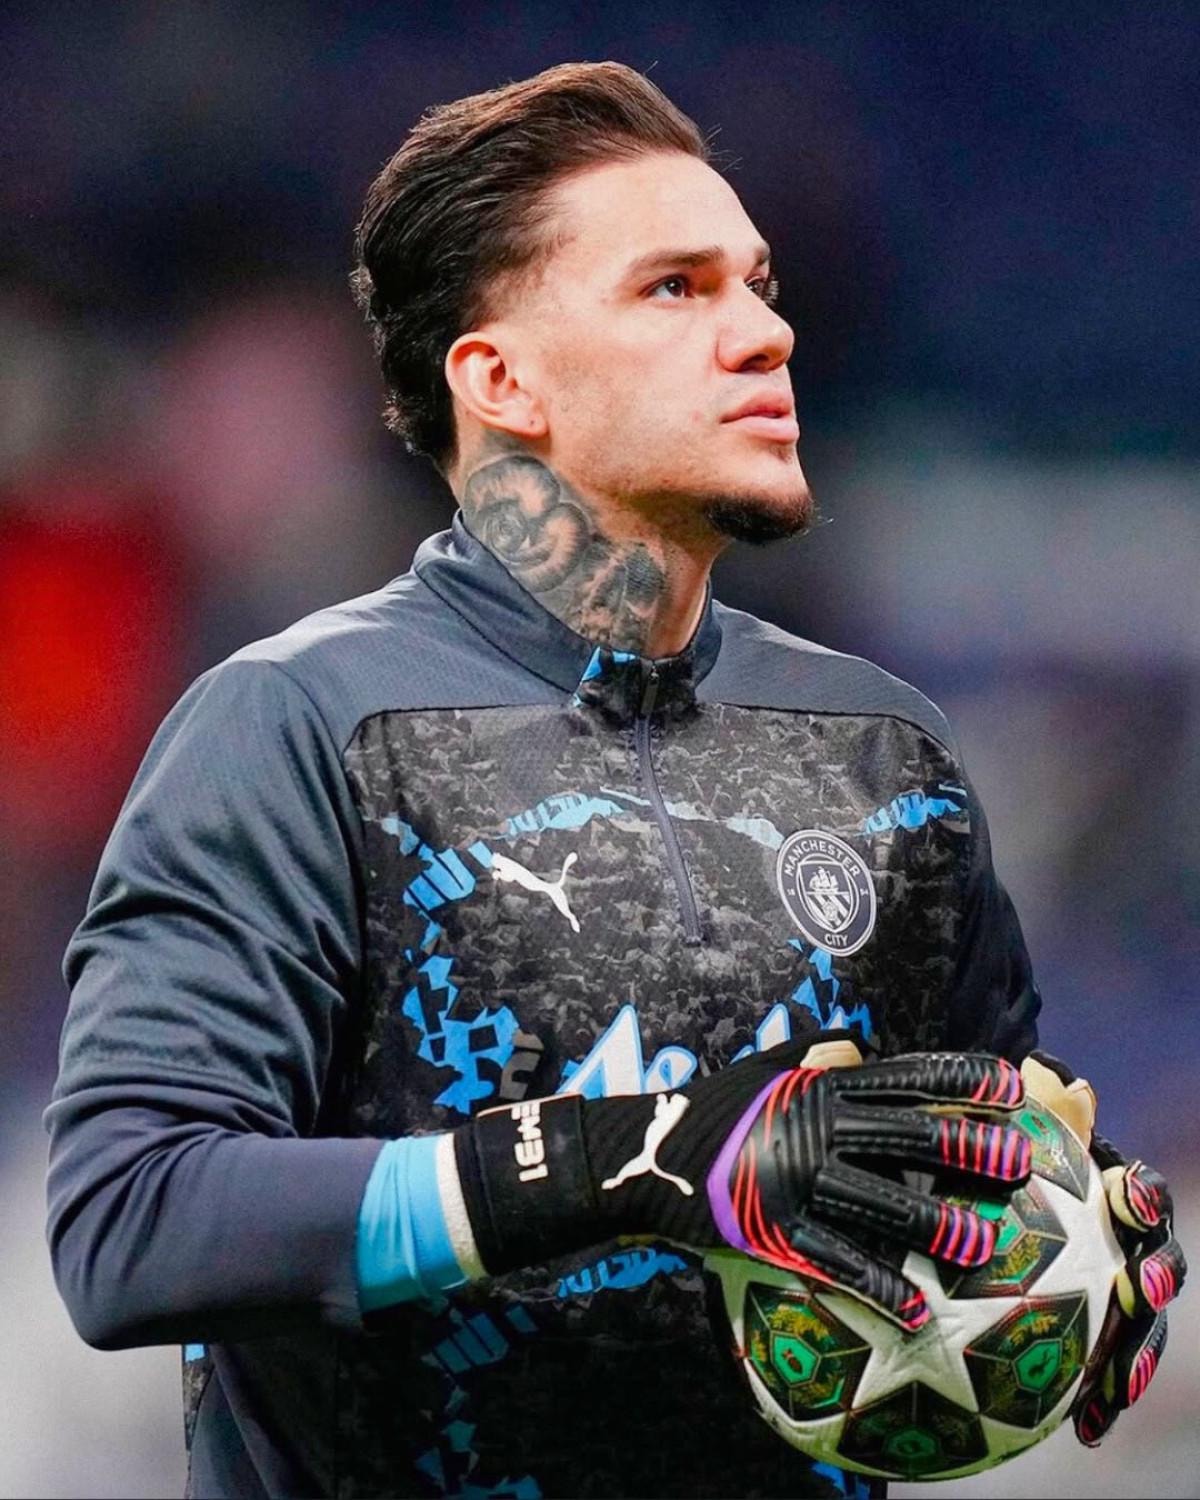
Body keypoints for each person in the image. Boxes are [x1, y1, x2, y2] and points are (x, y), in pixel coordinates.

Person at [46, 62, 1182, 1500]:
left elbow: (964, 1145)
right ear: (500, 380)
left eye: (759, 286)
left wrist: (1070, 1241)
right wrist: (634, 1161)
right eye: (675, 289)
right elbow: (131, 1224)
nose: (764, 332)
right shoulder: (297, 727)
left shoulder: (884, 750)